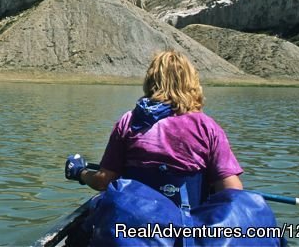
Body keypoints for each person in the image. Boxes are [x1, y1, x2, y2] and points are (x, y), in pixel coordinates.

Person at [65, 50, 243, 202]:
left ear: (150, 81)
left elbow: (103, 181)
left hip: (134, 229)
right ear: (191, 83)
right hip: (187, 230)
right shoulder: (207, 127)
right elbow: (231, 190)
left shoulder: (129, 121)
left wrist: (80, 172)